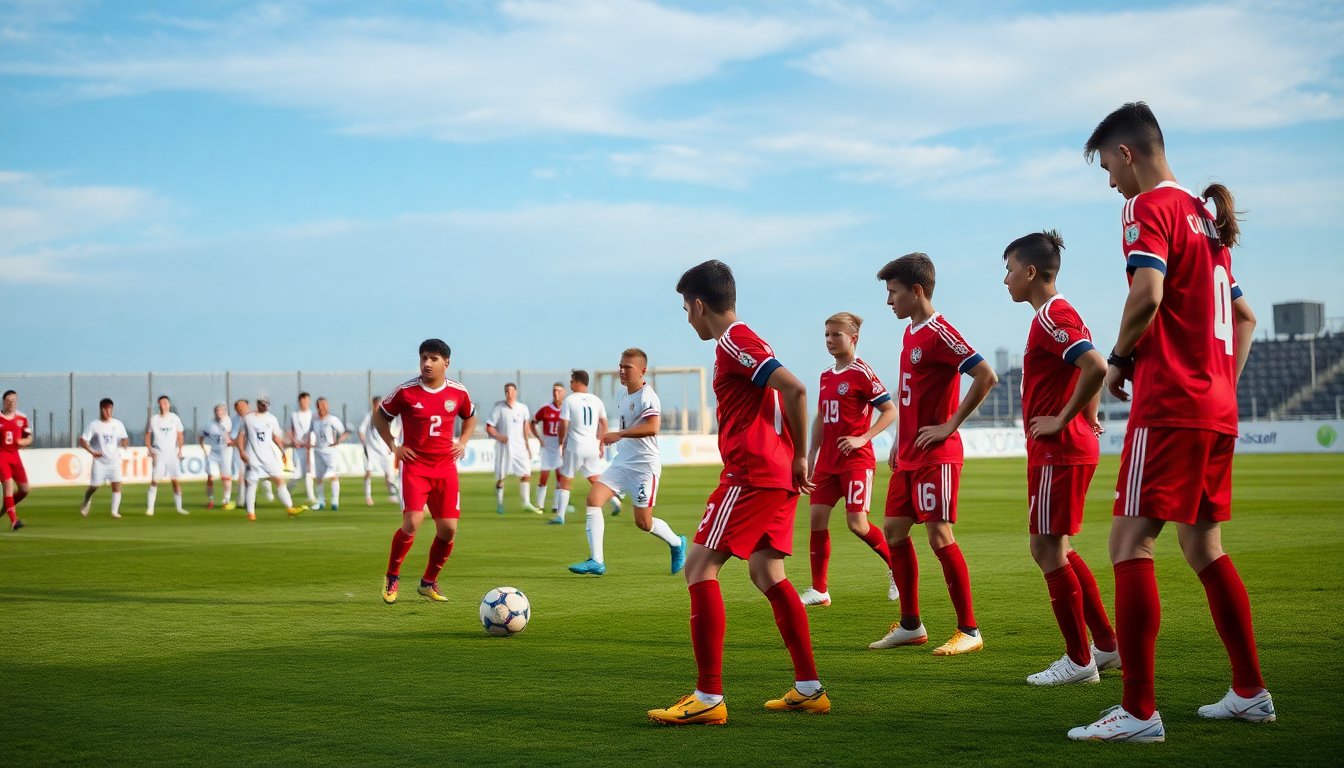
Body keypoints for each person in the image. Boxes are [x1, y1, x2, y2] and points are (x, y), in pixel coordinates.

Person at [1068, 102, 1271, 742]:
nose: (1109, 184)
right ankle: (1249, 691)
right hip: (1216, 408)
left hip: (1172, 404)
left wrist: (1121, 361)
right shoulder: (1206, 218)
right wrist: (1220, 387)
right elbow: (1243, 320)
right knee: (1203, 545)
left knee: (1129, 545)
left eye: (1107, 167)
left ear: (1128, 153)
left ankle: (1138, 711)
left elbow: (1147, 293)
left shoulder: (1147, 208)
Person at [647, 260, 827, 726]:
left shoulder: (733, 342)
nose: (688, 319)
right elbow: (786, 391)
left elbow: (796, 388)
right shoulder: (748, 340)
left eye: (687, 309)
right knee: (767, 572)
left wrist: (803, 454)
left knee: (699, 565)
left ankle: (708, 696)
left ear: (700, 305)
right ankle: (809, 688)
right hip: (774, 474)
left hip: (752, 474)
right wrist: (794, 457)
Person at [1002, 230, 1118, 686]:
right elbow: (1083, 368)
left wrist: (1063, 418)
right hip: (1066, 446)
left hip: (1057, 450)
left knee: (1045, 549)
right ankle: (1105, 646)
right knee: (1060, 547)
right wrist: (1087, 414)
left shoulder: (1051, 316)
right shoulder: (1060, 315)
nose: (1006, 279)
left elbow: (1095, 365)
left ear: (1031, 272)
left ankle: (1078, 660)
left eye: (1009, 269)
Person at [868, 253, 998, 656]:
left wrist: (950, 425)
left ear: (917, 291)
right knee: (893, 532)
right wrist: (898, 443)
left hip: (936, 456)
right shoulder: (910, 332)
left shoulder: (941, 332)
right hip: (908, 454)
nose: (889, 301)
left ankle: (970, 630)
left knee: (939, 535)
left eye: (893, 292)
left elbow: (986, 375)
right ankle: (911, 624)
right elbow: (912, 396)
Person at [799, 313, 898, 607]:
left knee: (858, 524)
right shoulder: (826, 375)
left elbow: (890, 411)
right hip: (827, 462)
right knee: (816, 520)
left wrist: (863, 438)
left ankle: (896, 567)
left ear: (852, 338)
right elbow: (821, 417)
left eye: (836, 335)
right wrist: (811, 453)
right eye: (827, 334)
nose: (829, 340)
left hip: (855, 461)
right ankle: (820, 589)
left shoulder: (862, 373)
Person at [374, 338, 477, 605]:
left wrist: (463, 442)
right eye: (423, 358)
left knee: (448, 530)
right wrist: (394, 446)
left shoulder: (458, 392)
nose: (427, 363)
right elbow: (380, 416)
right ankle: (392, 576)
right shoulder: (406, 392)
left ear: (446, 363)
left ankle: (428, 582)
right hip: (416, 468)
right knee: (413, 522)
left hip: (445, 469)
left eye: (433, 359)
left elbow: (471, 416)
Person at [569, 348, 687, 576]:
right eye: (620, 366)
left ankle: (676, 542)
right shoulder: (622, 394)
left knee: (643, 522)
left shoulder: (648, 396)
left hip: (644, 468)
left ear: (642, 370)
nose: (622, 371)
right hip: (622, 463)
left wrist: (619, 435)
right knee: (593, 499)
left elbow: (653, 427)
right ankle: (597, 561)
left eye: (627, 367)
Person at [549, 370, 608, 525]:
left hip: (575, 446)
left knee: (565, 480)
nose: (570, 384)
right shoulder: (596, 400)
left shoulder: (570, 400)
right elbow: (604, 423)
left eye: (571, 381)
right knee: (595, 478)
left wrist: (561, 441)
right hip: (592, 446)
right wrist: (601, 442)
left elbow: (563, 424)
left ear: (578, 382)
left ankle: (560, 516)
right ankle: (615, 502)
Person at [235, 396, 306, 520]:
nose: (264, 405)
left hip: (268, 458)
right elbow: (240, 436)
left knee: (278, 480)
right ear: (258, 404)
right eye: (261, 403)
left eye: (265, 403)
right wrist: (241, 451)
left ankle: (290, 508)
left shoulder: (271, 419)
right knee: (251, 484)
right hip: (253, 458)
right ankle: (251, 513)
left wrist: (282, 450)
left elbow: (276, 437)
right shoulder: (248, 419)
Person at [486, 383, 542, 515]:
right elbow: (489, 427)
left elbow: (526, 428)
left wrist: (528, 447)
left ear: (516, 392)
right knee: (501, 477)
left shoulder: (523, 408)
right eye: (506, 391)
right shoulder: (499, 408)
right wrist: (499, 436)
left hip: (520, 447)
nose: (509, 394)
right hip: (503, 448)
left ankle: (526, 503)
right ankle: (500, 504)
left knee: (526, 474)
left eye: (511, 391)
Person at [79, 398, 129, 518]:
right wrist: (92, 451)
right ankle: (87, 499)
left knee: (116, 485)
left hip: (114, 461)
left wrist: (124, 443)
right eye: (105, 409)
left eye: (110, 409)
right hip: (100, 462)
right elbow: (83, 440)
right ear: (100, 409)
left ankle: (114, 512)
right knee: (94, 486)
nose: (108, 412)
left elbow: (124, 437)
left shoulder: (118, 424)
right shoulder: (94, 425)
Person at [145, 394, 187, 516]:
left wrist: (180, 450)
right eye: (162, 402)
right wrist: (149, 448)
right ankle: (150, 508)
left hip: (172, 454)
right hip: (159, 453)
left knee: (175, 480)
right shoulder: (154, 419)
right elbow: (147, 434)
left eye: (166, 402)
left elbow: (180, 434)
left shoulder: (174, 418)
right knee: (155, 480)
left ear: (169, 404)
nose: (165, 405)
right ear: (159, 405)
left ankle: (179, 508)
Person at [1, 389, 33, 530]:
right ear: (4, 402)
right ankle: (14, 521)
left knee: (25, 489)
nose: (11, 403)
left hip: (15, 456)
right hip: (1, 456)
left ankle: (5, 509)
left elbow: (29, 437)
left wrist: (24, 442)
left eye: (14, 400)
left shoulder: (22, 418)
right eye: (9, 401)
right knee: (8, 486)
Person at [359, 396, 400, 506]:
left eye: (379, 404)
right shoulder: (369, 416)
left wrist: (390, 445)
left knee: (389, 473)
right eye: (376, 404)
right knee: (368, 472)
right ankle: (368, 497)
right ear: (373, 404)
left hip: (383, 450)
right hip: (370, 450)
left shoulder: (387, 417)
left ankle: (393, 494)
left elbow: (392, 432)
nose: (377, 406)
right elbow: (361, 430)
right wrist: (363, 440)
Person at [309, 397, 349, 511]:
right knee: (319, 477)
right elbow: (309, 433)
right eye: (320, 405)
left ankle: (334, 501)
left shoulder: (332, 419)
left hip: (330, 451)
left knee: (332, 475)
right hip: (318, 451)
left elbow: (344, 432)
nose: (322, 408)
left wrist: (338, 441)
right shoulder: (314, 420)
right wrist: (309, 444)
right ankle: (320, 501)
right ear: (317, 407)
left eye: (324, 405)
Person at [531, 383, 565, 513]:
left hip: (559, 446)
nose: (556, 394)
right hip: (547, 445)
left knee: (560, 477)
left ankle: (556, 506)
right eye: (554, 391)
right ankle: (540, 505)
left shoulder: (566, 409)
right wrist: (539, 438)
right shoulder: (545, 409)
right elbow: (532, 422)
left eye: (559, 391)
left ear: (563, 393)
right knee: (543, 476)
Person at [200, 403, 235, 510]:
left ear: (225, 412)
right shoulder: (209, 424)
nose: (219, 413)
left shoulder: (228, 422)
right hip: (213, 453)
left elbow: (230, 436)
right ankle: (210, 500)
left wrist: (230, 441)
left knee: (226, 477)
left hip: (226, 453)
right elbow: (201, 435)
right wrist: (202, 446)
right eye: (217, 411)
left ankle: (226, 500)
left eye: (221, 411)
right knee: (210, 476)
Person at [288, 392, 317, 506]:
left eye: (306, 400)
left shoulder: (313, 415)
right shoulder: (294, 415)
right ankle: (285, 492)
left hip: (310, 446)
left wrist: (310, 442)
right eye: (302, 400)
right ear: (299, 401)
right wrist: (294, 441)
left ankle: (311, 497)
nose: (304, 403)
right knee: (298, 473)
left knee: (309, 472)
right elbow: (290, 430)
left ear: (309, 401)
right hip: (299, 447)